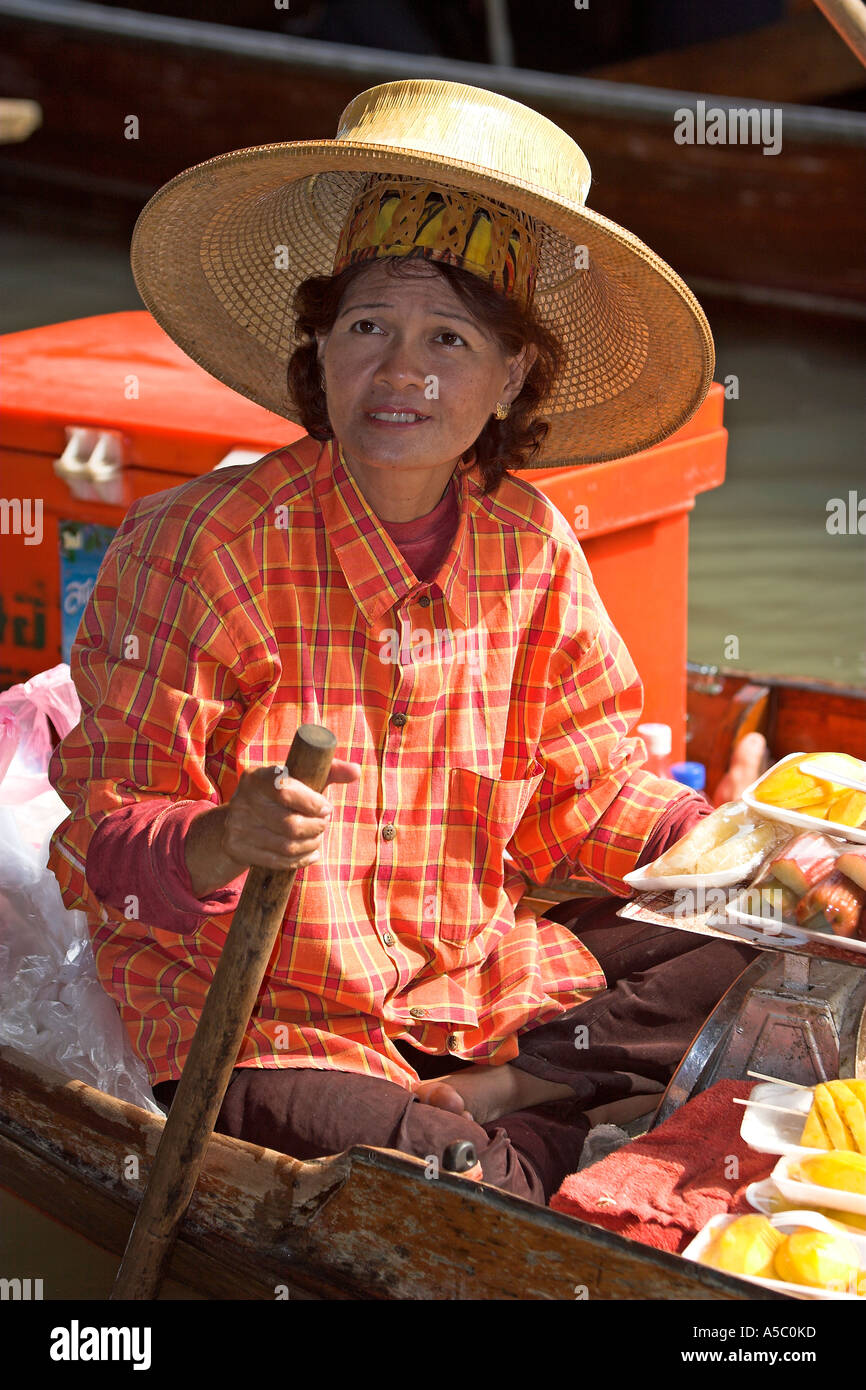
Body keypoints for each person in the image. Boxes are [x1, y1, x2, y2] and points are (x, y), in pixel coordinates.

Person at [48, 79, 765, 1207]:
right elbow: (102, 847)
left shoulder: (528, 543)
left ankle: (499, 1099)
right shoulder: (196, 541)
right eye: (368, 327)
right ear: (320, 344)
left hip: (466, 984)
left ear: (511, 374)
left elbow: (587, 793)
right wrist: (221, 835)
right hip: (258, 1017)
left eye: (448, 337)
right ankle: (521, 1139)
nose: (401, 375)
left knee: (739, 942)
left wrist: (750, 844)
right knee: (451, 1192)